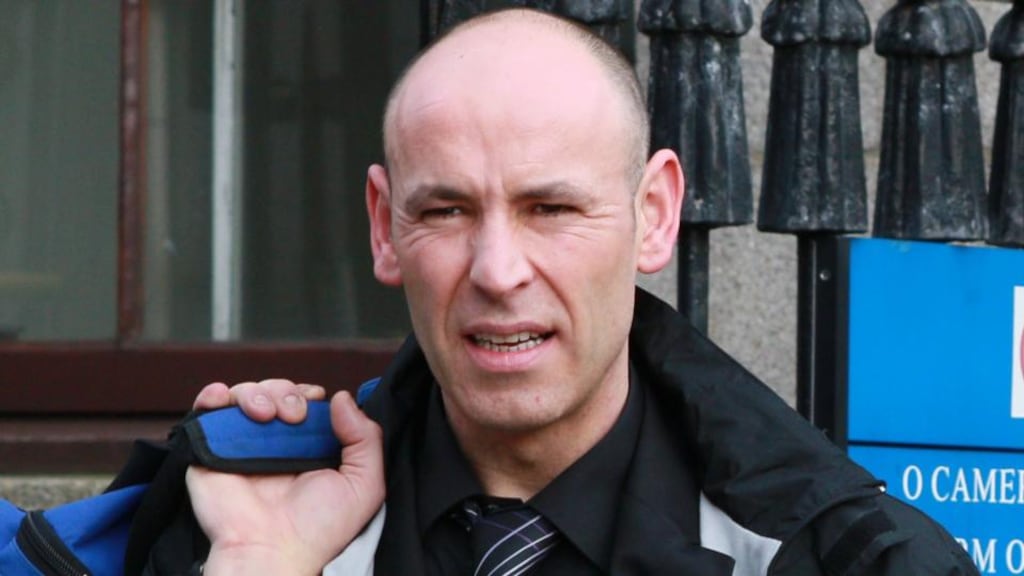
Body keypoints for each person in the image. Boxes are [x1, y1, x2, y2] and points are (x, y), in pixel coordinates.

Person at [185, 8, 978, 575]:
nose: (498, 271)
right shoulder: (242, 531)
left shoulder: (850, 559)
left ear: (655, 217)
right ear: (384, 226)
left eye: (551, 208)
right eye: (447, 210)